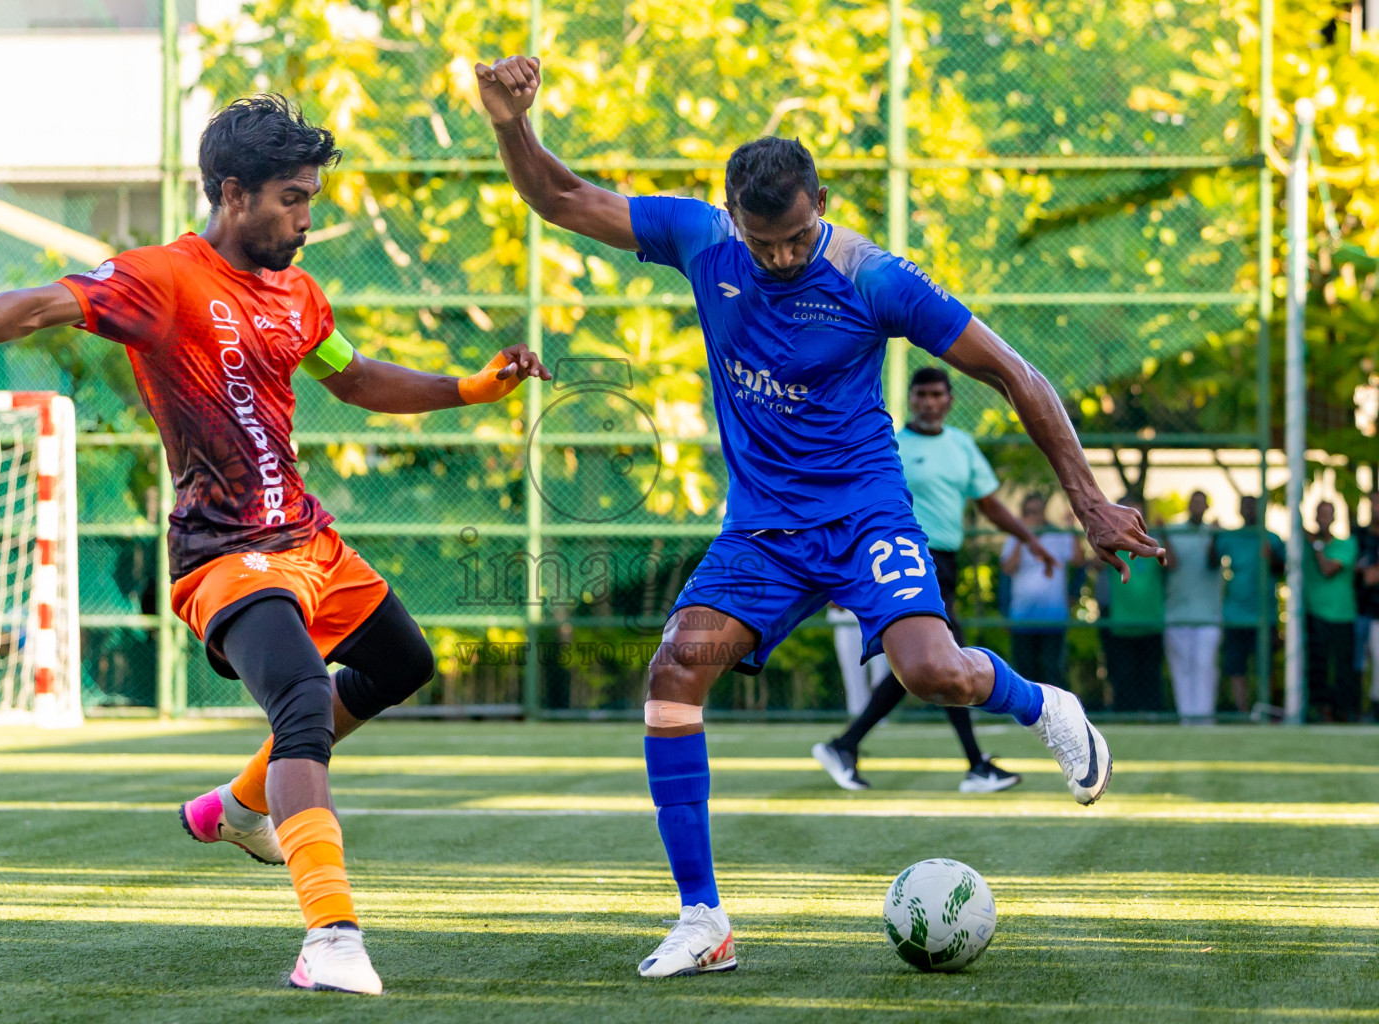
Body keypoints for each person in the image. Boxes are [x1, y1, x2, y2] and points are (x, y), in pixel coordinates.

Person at [476, 54, 1162, 979]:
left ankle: (1045, 706)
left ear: (820, 203)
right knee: (676, 671)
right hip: (763, 528)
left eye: (798, 236)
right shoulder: (699, 240)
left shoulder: (875, 278)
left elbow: (1014, 373)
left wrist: (1087, 501)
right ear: (733, 220)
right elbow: (559, 198)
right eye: (767, 245)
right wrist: (511, 124)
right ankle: (702, 919)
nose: (785, 257)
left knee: (931, 673)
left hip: (866, 512)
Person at [0, 94, 548, 996]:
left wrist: (471, 386)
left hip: (310, 540)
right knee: (301, 704)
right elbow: (37, 306)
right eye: (292, 199)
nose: (307, 217)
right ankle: (330, 936)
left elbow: (361, 377)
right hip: (224, 554)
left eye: (310, 198)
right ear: (232, 193)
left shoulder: (300, 294)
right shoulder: (160, 278)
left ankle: (241, 804)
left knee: (404, 662)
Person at [812, 367, 1059, 794]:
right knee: (945, 658)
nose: (928, 402)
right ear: (911, 399)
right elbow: (852, 503)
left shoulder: (961, 446)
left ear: (949, 400)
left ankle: (847, 745)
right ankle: (974, 765)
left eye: (936, 395)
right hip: (903, 560)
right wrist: (841, 575)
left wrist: (1030, 541)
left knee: (934, 662)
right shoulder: (892, 446)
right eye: (921, 394)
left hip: (945, 562)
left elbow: (989, 504)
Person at [1001, 491, 1084, 689]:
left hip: (1053, 616)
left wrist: (1072, 529)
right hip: (1022, 616)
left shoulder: (1058, 535)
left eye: (1037, 511)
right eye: (1029, 512)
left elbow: (1079, 561)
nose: (1034, 516)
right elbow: (1008, 569)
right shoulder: (1014, 539)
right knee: (1024, 671)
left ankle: (1058, 715)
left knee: (1052, 669)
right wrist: (1023, 537)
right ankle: (1026, 716)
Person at [1213, 494, 1285, 713]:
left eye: (1253, 506)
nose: (1249, 510)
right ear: (1240, 510)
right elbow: (1211, 561)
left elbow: (1283, 571)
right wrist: (1213, 536)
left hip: (1265, 616)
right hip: (1235, 615)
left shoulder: (1272, 538)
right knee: (1236, 667)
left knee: (1266, 667)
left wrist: (1271, 557)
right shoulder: (1230, 537)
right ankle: (1243, 711)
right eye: (1245, 506)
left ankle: (1266, 709)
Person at [1098, 494, 1166, 711]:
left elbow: (1170, 564)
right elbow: (1092, 563)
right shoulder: (1110, 540)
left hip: (1151, 621)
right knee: (1122, 674)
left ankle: (1152, 715)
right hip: (1121, 622)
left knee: (1151, 674)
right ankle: (1123, 715)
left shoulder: (1155, 539)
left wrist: (1162, 534)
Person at [1162, 490, 1224, 724]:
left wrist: (1215, 538)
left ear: (1207, 507)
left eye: (1202, 503)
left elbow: (1213, 562)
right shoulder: (1173, 531)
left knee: (1205, 668)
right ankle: (1186, 719)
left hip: (1208, 615)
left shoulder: (1215, 533)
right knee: (1182, 671)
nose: (1197, 507)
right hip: (1176, 614)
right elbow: (1169, 564)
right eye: (1194, 503)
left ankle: (1205, 719)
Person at [1304, 500, 1358, 721]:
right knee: (1318, 666)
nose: (1323, 519)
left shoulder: (1347, 544)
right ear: (1315, 517)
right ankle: (1321, 710)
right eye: (1320, 514)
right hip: (1315, 614)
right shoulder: (1304, 546)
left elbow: (1327, 569)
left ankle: (1343, 711)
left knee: (1343, 666)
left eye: (1328, 514)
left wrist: (1317, 546)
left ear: (1334, 518)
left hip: (1342, 615)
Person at [1357, 489, 1379, 718]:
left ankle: (1374, 710)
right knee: (1358, 665)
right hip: (1361, 610)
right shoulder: (1360, 535)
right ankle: (1359, 709)